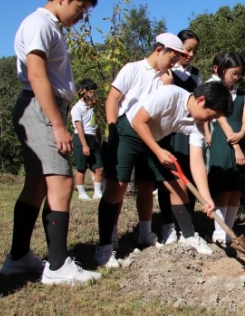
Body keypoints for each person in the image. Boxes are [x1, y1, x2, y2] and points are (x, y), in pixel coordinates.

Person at [0, 0, 101, 284]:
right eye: (80, 8)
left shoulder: (50, 27)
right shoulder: (40, 24)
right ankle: (57, 266)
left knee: (37, 184)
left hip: (43, 107)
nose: (81, 17)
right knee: (61, 182)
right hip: (41, 107)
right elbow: (37, 75)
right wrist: (58, 124)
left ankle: (18, 258)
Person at [95, 82, 233, 266]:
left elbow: (197, 161)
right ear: (201, 100)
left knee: (178, 185)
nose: (209, 120)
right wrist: (158, 152)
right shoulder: (170, 94)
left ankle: (189, 236)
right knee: (116, 188)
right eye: (212, 115)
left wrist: (206, 197)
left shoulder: (198, 124)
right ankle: (104, 248)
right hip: (129, 132)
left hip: (156, 140)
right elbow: (138, 121)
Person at [97, 32, 186, 266]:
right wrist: (113, 130)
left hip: (153, 137)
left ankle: (145, 233)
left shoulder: (168, 78)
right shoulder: (133, 69)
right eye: (172, 58)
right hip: (127, 132)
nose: (174, 63)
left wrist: (170, 86)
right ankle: (106, 244)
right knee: (117, 186)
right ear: (159, 50)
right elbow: (112, 100)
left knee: (146, 185)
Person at [157, 30, 204, 245]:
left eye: (194, 50)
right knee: (169, 180)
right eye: (187, 49)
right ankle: (168, 224)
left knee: (189, 177)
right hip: (168, 134)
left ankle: (187, 224)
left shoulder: (196, 75)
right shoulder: (166, 71)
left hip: (189, 134)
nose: (191, 54)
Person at [207, 52, 245, 244]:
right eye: (234, 73)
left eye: (239, 75)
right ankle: (219, 232)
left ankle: (229, 231)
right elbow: (221, 119)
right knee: (223, 188)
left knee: (235, 189)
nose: (236, 78)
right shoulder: (215, 90)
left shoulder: (242, 95)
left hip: (238, 138)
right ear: (223, 70)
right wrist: (236, 147)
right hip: (222, 141)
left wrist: (241, 135)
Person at [71, 79, 104, 201]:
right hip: (81, 139)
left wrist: (99, 139)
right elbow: (79, 127)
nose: (92, 94)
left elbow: (97, 124)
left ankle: (97, 192)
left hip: (93, 138)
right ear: (84, 92)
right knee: (81, 168)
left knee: (99, 167)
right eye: (90, 91)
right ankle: (81, 192)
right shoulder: (77, 108)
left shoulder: (92, 107)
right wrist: (84, 145)